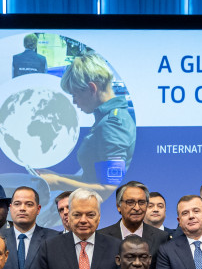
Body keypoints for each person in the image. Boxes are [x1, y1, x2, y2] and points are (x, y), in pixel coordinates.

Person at [44, 53, 135, 190]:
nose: (74, 101)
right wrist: (58, 178)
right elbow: (93, 179)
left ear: (92, 88)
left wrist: (58, 182)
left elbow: (110, 188)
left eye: (75, 94)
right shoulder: (108, 119)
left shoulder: (112, 125)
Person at [96, 181, 169, 269]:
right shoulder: (102, 236)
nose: (137, 208)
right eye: (130, 202)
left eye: (141, 202)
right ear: (118, 206)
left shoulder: (161, 237)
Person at [2, 186, 59, 269]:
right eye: (17, 204)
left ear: (38, 209)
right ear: (10, 208)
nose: (22, 208)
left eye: (29, 204)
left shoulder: (55, 239)